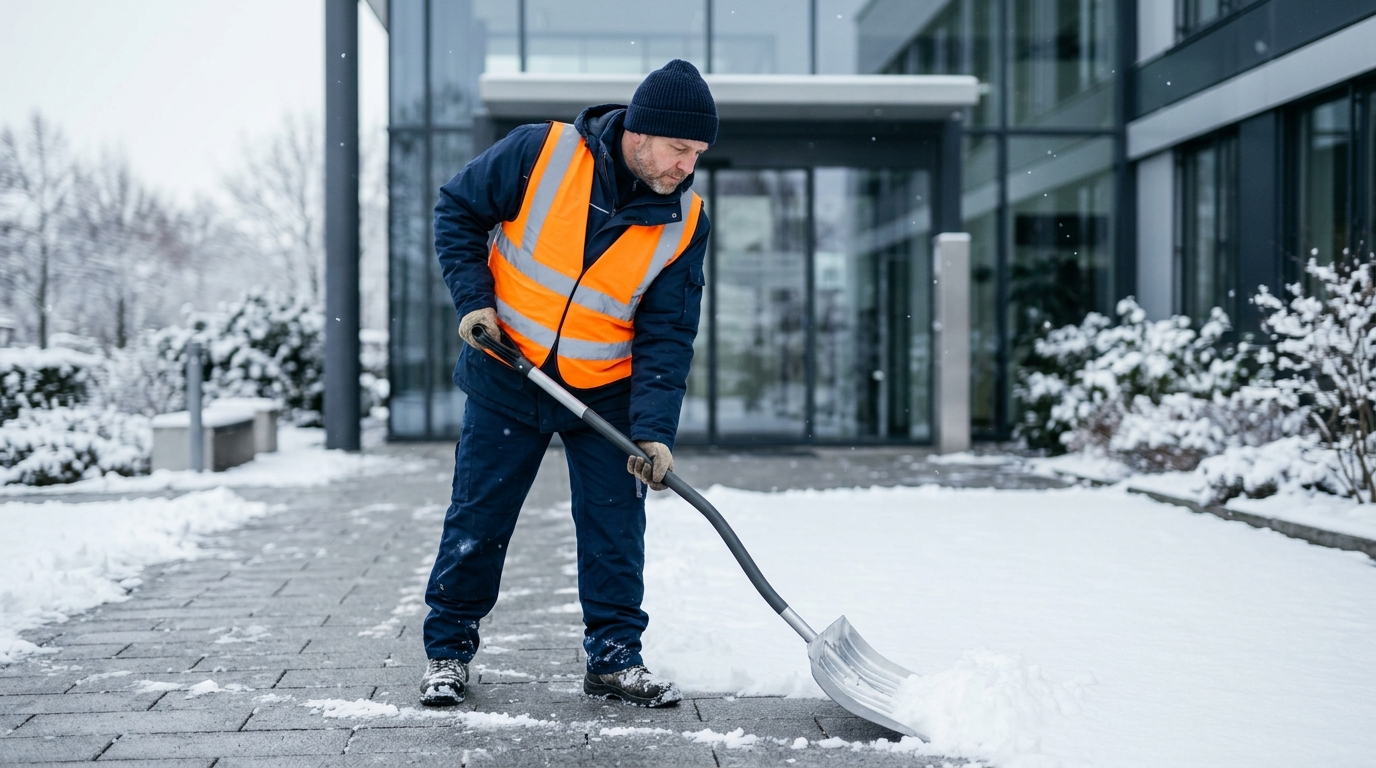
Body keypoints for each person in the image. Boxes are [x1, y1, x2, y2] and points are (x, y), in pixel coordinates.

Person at [419, 59, 715, 709]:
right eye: (679, 149)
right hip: (507, 371)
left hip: (602, 392)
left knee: (615, 528)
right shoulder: (541, 153)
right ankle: (448, 651)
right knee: (479, 519)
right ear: (639, 133)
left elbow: (668, 334)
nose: (686, 168)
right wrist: (474, 301)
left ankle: (614, 660)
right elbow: (457, 211)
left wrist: (653, 433)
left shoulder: (685, 222)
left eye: (697, 155)